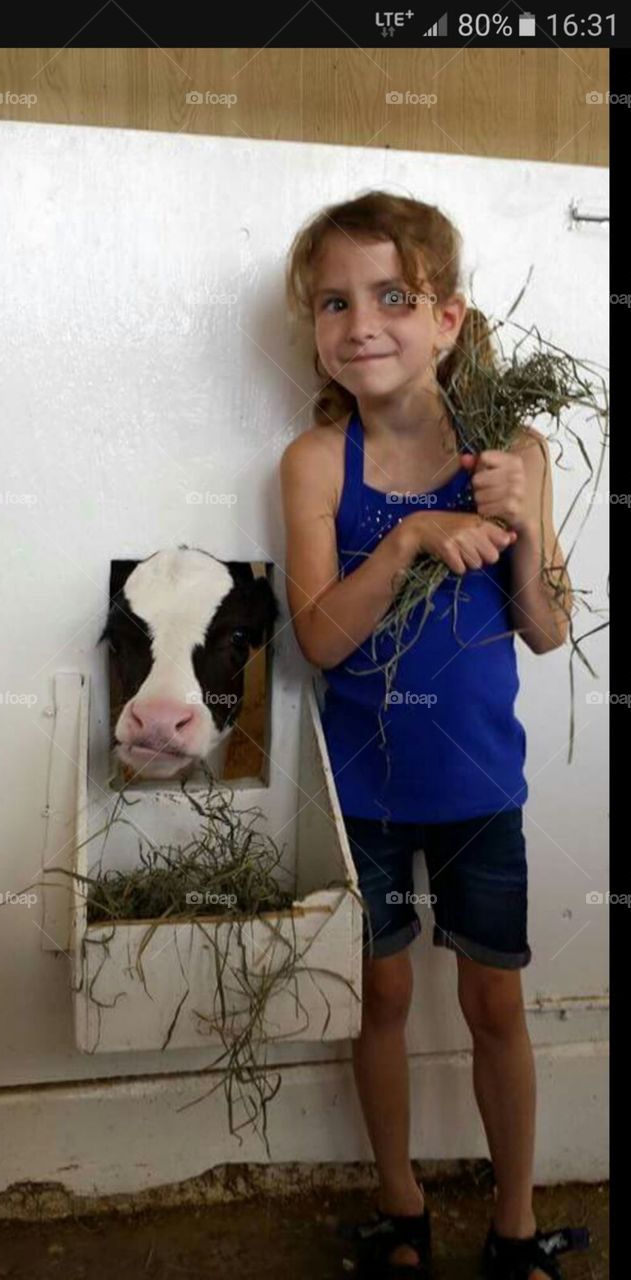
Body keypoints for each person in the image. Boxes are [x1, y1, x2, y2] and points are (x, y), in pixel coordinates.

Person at [279, 191, 590, 1280]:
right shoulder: (318, 460)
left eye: (392, 297)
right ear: (312, 323)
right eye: (334, 300)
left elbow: (548, 630)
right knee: (380, 992)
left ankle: (512, 1226)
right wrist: (411, 533)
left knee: (493, 996)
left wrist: (516, 517)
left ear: (448, 319)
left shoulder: (511, 447)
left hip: (475, 783)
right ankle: (401, 1211)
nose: (360, 322)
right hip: (358, 787)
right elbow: (317, 638)